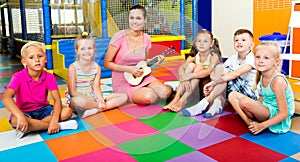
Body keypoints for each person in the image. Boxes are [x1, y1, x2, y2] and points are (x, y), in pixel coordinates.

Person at [2, 41, 77, 139]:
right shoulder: (18, 77)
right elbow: (6, 98)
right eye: (31, 57)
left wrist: (54, 120)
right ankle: (60, 126)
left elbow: (57, 100)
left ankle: (31, 127)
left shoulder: (49, 77)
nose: (37, 60)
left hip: (44, 110)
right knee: (16, 121)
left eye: (40, 56)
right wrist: (20, 116)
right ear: (24, 62)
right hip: (25, 112)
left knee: (67, 111)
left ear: (45, 59)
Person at [104, 4, 172, 105]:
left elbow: (143, 63)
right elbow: (107, 63)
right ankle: (143, 92)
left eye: (138, 18)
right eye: (132, 18)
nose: (134, 21)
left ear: (144, 20)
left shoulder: (147, 38)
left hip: (142, 77)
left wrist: (156, 60)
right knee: (149, 97)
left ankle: (167, 87)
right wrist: (129, 69)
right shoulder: (119, 36)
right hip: (123, 80)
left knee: (165, 92)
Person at [182, 29, 258, 118]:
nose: (239, 42)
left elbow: (236, 74)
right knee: (220, 73)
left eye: (243, 40)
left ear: (251, 45)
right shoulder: (233, 58)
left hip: (248, 95)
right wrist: (212, 82)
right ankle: (216, 106)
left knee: (225, 79)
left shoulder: (252, 58)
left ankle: (203, 104)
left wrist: (214, 82)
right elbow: (222, 72)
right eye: (236, 40)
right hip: (233, 94)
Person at [228, 41, 295, 134]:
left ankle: (258, 126)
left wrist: (262, 125)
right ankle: (250, 123)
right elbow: (265, 96)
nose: (260, 61)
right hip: (266, 107)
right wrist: (255, 104)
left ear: (276, 61)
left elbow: (284, 113)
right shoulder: (263, 74)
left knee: (244, 102)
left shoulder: (278, 81)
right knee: (232, 95)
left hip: (276, 114)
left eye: (266, 58)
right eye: (257, 57)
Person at [66, 32, 128, 118]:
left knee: (124, 97)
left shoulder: (96, 67)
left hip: (92, 96)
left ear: (94, 50)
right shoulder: (73, 67)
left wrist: (100, 100)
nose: (86, 51)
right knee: (78, 102)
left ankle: (95, 110)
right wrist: (91, 100)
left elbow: (96, 88)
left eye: (90, 48)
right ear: (77, 51)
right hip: (79, 98)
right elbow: (72, 92)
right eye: (82, 49)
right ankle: (101, 106)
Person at [163, 29, 222, 112]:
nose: (202, 44)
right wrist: (183, 78)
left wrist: (190, 75)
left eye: (205, 41)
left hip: (206, 87)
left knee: (199, 67)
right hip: (194, 87)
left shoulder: (214, 56)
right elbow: (181, 68)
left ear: (211, 43)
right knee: (190, 65)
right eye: (199, 41)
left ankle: (183, 100)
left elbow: (209, 71)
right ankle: (176, 98)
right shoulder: (194, 56)